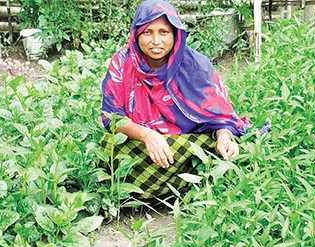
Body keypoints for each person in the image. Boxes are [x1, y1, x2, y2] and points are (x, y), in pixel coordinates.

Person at [100, 0, 249, 200]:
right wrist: (147, 136)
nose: (155, 40)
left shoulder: (196, 65)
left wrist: (223, 138)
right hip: (142, 145)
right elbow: (112, 118)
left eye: (163, 32)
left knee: (220, 147)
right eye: (147, 32)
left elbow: (220, 117)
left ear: (175, 33)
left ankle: (173, 189)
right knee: (109, 145)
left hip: (187, 142)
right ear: (136, 34)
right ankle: (184, 185)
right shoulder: (122, 62)